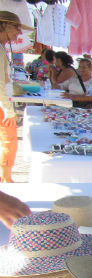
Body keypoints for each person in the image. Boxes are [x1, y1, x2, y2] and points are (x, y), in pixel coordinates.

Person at [0, 12, 33, 183]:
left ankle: (5, 176)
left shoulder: (2, 48)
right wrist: (8, 110)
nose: (19, 33)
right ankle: (6, 178)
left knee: (8, 140)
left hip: (3, 101)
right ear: (4, 26)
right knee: (9, 139)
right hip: (1, 104)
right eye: (16, 28)